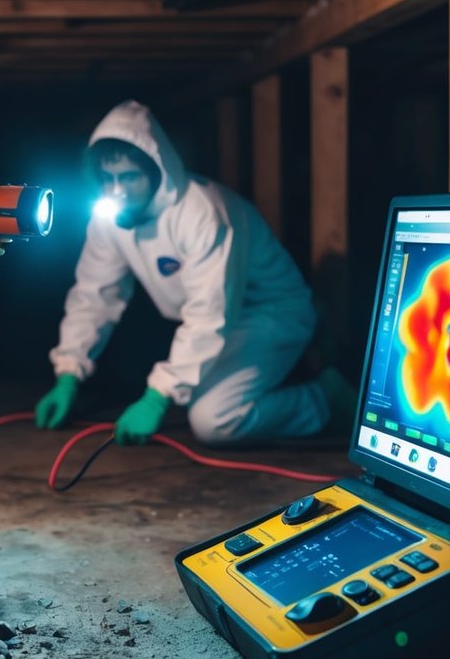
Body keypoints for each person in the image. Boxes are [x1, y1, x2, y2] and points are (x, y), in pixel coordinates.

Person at [33, 100, 351, 446]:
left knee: (213, 419)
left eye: (129, 177)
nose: (116, 191)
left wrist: (157, 397)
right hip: (221, 321)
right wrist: (69, 372)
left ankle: (324, 400)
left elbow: (209, 314)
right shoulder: (110, 218)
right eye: (108, 179)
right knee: (187, 389)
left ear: (157, 170)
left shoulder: (202, 213)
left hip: (271, 314)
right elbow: (95, 294)